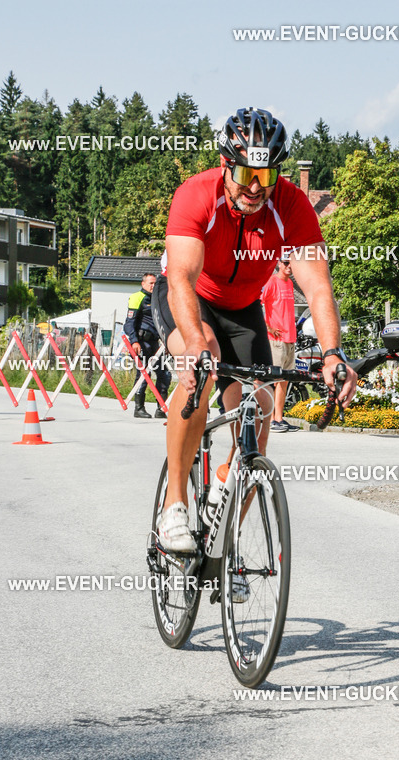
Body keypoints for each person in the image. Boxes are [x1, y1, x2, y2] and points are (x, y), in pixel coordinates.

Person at [151, 106, 357, 554]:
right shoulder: (196, 195)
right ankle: (174, 508)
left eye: (266, 176)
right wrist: (193, 343)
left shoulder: (291, 205)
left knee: (260, 410)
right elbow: (182, 279)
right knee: (199, 362)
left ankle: (225, 544)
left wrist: (332, 354)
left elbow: (319, 289)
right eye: (245, 172)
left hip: (243, 309)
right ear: (226, 163)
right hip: (189, 299)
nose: (254, 187)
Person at [124, 273, 171, 419]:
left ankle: (161, 408)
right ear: (143, 284)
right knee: (143, 375)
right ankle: (139, 408)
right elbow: (129, 323)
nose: (153, 286)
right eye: (150, 283)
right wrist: (134, 341)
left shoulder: (159, 299)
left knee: (165, 374)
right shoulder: (137, 297)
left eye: (155, 283)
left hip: (155, 343)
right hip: (141, 342)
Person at [261, 260, 300, 432]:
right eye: (285, 263)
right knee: (273, 381)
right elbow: (257, 303)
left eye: (291, 263)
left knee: (284, 381)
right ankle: (269, 420)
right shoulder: (271, 282)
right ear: (278, 264)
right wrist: (268, 327)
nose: (289, 266)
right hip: (275, 340)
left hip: (290, 338)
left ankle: (279, 418)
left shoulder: (290, 283)